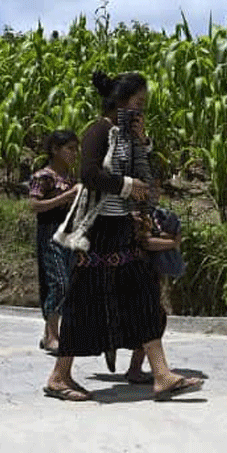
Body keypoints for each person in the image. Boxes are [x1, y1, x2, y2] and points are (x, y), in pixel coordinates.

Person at [45, 71, 202, 402]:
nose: (141, 110)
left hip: (122, 228)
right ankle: (59, 377)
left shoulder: (126, 137)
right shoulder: (98, 131)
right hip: (98, 231)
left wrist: (143, 142)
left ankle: (161, 375)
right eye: (138, 103)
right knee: (83, 300)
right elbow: (89, 174)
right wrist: (128, 186)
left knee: (145, 295)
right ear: (120, 102)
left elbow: (144, 176)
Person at [28, 129, 80, 356]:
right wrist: (66, 198)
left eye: (75, 149)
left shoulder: (71, 178)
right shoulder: (44, 177)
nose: (74, 154)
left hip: (70, 235)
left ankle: (54, 333)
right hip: (50, 233)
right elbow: (35, 205)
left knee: (69, 283)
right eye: (69, 149)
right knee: (59, 282)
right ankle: (51, 334)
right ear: (55, 150)